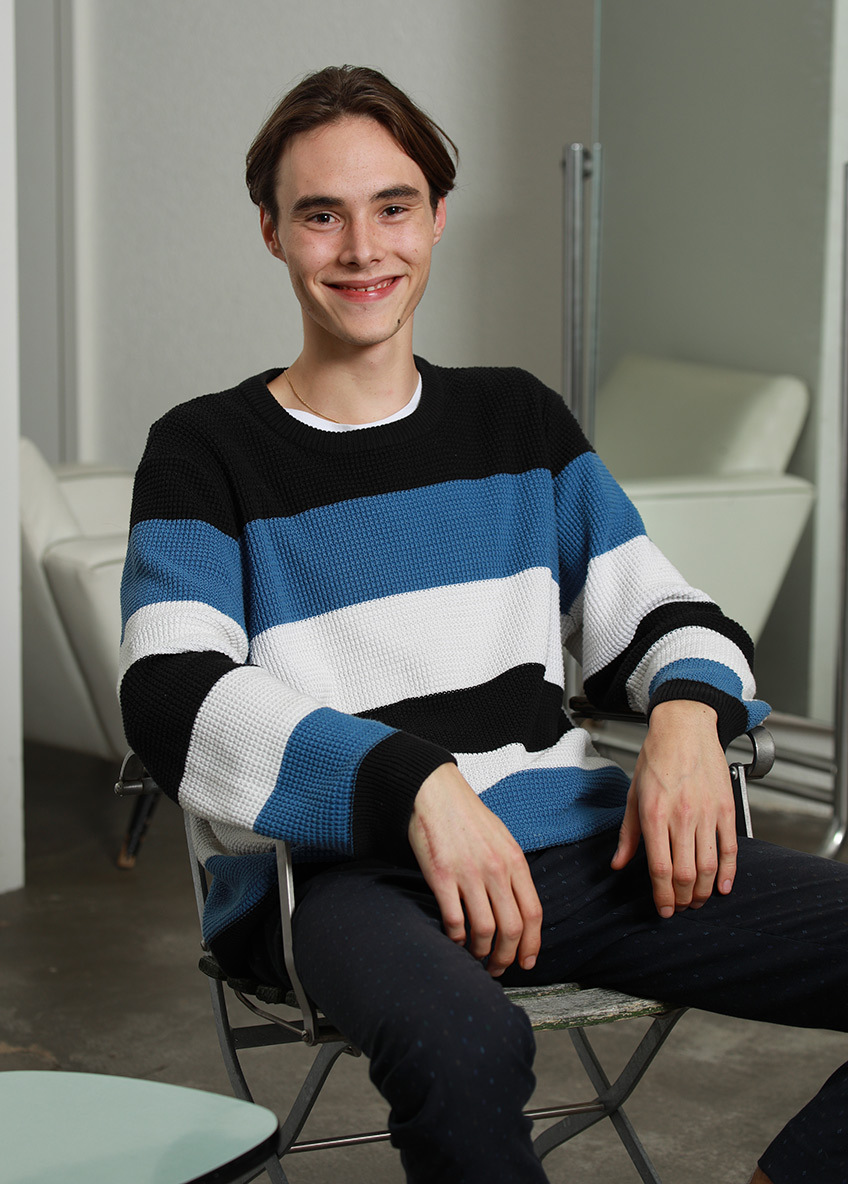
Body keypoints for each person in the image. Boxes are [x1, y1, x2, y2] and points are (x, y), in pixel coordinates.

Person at [119, 65, 846, 1184]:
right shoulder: (203, 450)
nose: (364, 248)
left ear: (437, 216)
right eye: (321, 215)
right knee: (467, 1046)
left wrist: (687, 717)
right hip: (345, 880)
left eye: (393, 206)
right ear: (271, 231)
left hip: (575, 847)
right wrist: (413, 784)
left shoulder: (516, 419)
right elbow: (171, 691)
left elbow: (664, 611)